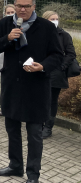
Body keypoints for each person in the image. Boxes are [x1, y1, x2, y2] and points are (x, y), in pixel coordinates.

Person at [0, 0, 63, 183]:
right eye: (19, 5)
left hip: (36, 87)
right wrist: (7, 38)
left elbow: (57, 55)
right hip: (12, 85)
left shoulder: (46, 27)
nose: (22, 9)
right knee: (12, 129)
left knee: (34, 134)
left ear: (34, 7)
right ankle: (15, 166)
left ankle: (33, 174)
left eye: (27, 6)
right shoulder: (6, 24)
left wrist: (43, 66)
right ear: (14, 5)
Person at [41, 10, 75, 139]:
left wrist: (62, 66)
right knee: (41, 99)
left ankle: (48, 127)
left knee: (51, 100)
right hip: (41, 70)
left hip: (56, 72)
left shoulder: (64, 35)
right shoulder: (40, 34)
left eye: (56, 19)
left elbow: (71, 53)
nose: (54, 21)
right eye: (51, 19)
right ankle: (39, 124)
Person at [0, 4, 16, 116]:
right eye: (8, 12)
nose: (10, 14)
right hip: (2, 56)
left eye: (12, 12)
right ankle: (4, 107)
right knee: (4, 83)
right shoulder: (2, 25)